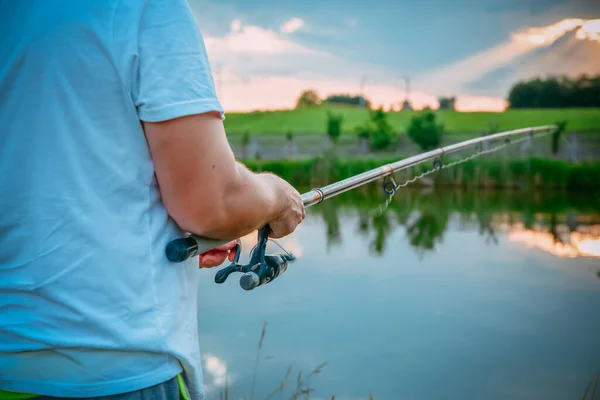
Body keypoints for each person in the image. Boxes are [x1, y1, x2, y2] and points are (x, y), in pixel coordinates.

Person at [0, 0, 305, 399]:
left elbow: (54, 185)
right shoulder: (146, 9)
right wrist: (278, 198)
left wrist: (172, 232)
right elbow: (211, 203)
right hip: (117, 371)